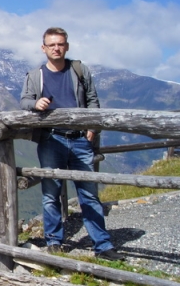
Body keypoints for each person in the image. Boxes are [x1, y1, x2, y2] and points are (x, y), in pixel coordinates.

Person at [20, 27, 124, 260]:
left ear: (66, 46)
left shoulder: (79, 70)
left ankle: (103, 246)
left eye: (60, 44)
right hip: (51, 138)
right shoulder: (36, 75)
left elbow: (92, 99)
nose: (56, 48)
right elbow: (24, 100)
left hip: (79, 139)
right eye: (52, 44)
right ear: (43, 48)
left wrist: (92, 127)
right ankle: (55, 243)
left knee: (88, 193)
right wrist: (36, 105)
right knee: (51, 193)